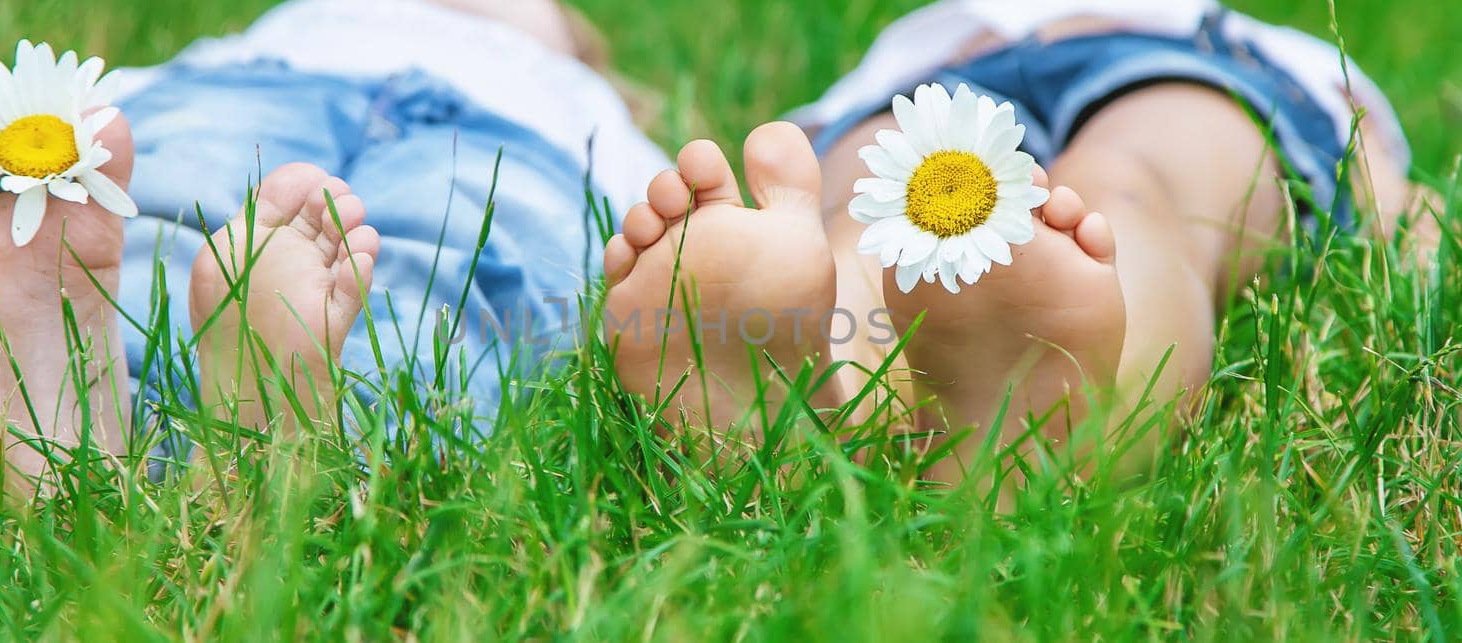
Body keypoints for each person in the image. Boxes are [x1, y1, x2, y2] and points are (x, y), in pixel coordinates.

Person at [599, 0, 1442, 481]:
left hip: (1183, 59)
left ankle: (1018, 406)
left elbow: (1371, 152)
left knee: (1115, 194)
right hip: (923, 83)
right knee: (886, 218)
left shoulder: (1265, 39)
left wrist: (1396, 204)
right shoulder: (912, 36)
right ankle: (814, 392)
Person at [0, 0, 669, 490]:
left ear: (576, 43)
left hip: (508, 129)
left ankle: (95, 444)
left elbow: (653, 220)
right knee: (165, 208)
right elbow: (127, 108)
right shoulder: (280, 27)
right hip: (259, 84)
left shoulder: (580, 95)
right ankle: (80, 400)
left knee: (450, 268)